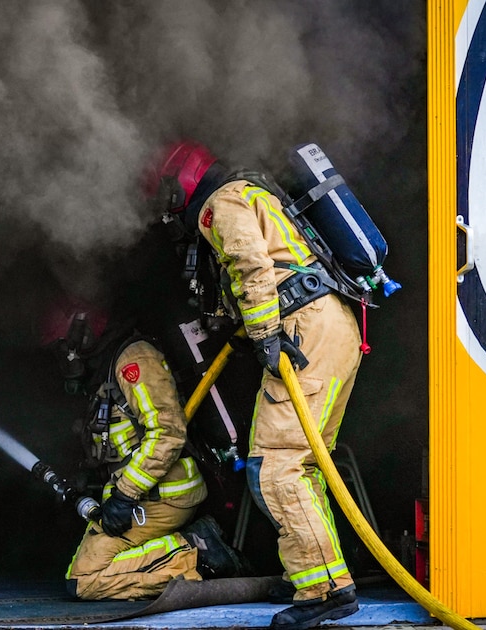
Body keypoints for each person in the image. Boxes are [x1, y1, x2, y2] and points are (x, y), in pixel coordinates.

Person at [144, 140, 362, 630]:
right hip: (331, 328)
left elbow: (252, 267)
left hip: (303, 330)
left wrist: (264, 334)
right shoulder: (256, 192)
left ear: (181, 181)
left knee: (276, 466)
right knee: (302, 465)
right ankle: (312, 571)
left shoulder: (221, 201)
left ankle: (326, 589)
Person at [39, 302, 241, 601]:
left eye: (62, 345)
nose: (65, 356)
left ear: (82, 331)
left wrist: (124, 496)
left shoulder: (135, 359)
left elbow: (167, 432)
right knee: (84, 575)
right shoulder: (104, 372)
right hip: (139, 498)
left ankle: (198, 552)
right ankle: (186, 553)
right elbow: (117, 443)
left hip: (166, 496)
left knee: (85, 580)